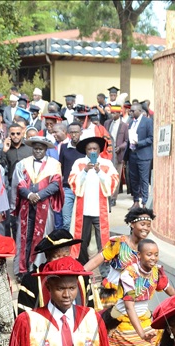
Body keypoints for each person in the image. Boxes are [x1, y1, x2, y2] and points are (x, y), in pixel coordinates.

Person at [110, 239, 175, 346]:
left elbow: (172, 292)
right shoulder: (128, 274)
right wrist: (140, 333)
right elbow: (129, 307)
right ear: (139, 255)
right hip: (122, 319)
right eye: (149, 254)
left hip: (145, 318)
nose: (153, 258)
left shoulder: (157, 272)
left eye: (156, 254)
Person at [83, 205, 155, 306]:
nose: (146, 228)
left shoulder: (148, 249)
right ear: (132, 224)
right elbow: (96, 260)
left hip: (134, 299)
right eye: (142, 224)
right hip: (113, 297)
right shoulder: (118, 242)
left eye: (148, 225)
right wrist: (78, 273)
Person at [12, 137, 63, 275]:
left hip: (45, 207)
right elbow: (19, 183)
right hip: (26, 207)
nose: (38, 151)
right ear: (32, 148)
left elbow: (55, 185)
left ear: (46, 150)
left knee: (42, 237)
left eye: (41, 149)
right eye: (35, 148)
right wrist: (29, 195)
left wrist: (39, 196)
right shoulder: (23, 164)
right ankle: (22, 270)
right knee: (25, 237)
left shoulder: (54, 164)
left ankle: (38, 267)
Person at [67, 137, 119, 265]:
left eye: (95, 148)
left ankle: (105, 270)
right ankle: (81, 267)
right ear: (85, 150)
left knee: (103, 240)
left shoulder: (107, 164)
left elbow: (113, 181)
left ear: (100, 150)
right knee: (81, 240)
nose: (92, 151)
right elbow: (72, 181)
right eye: (89, 149)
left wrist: (99, 171)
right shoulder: (79, 163)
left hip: (99, 210)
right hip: (83, 209)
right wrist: (85, 171)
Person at [16, 228, 81, 313]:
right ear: (47, 256)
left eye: (65, 256)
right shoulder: (31, 281)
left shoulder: (82, 277)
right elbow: (25, 319)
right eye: (56, 256)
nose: (61, 261)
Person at [56, 123, 84, 232]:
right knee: (66, 221)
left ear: (80, 133)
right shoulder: (63, 147)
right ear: (68, 134)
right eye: (71, 132)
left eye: (76, 132)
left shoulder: (85, 148)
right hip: (67, 188)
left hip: (82, 188)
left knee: (79, 220)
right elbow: (61, 167)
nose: (74, 135)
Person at [127, 102, 154, 209]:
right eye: (131, 111)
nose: (131, 112)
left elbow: (151, 138)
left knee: (143, 179)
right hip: (132, 155)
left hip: (143, 155)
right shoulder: (131, 123)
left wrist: (140, 143)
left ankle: (145, 203)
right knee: (134, 179)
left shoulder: (147, 122)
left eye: (133, 111)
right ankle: (136, 201)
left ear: (140, 111)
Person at [105, 105, 129, 207]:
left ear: (119, 113)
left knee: (116, 176)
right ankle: (107, 196)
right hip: (107, 153)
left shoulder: (124, 125)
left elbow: (126, 141)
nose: (112, 115)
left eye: (115, 113)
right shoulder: (107, 123)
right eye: (111, 112)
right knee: (107, 175)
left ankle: (113, 198)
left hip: (118, 154)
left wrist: (120, 147)